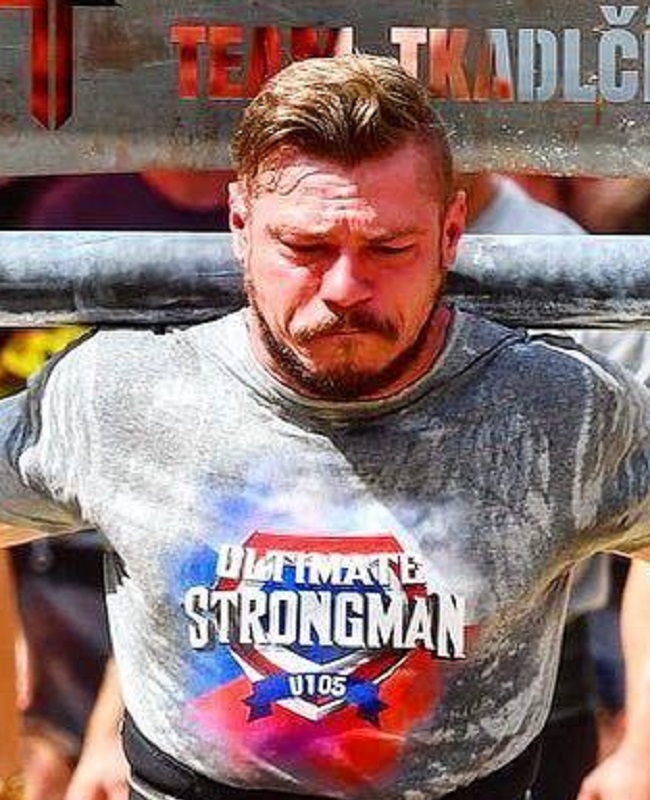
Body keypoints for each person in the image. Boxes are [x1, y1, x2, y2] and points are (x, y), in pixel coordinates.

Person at [1, 54, 650, 800]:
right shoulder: (126, 394)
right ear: (240, 224)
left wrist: (643, 746)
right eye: (305, 249)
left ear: (451, 233)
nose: (345, 288)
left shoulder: (555, 411)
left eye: (389, 248)